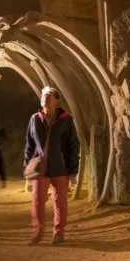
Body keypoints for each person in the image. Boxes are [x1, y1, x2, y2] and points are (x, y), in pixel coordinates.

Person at [23, 86, 79, 245]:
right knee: (37, 201)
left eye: (48, 96)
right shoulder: (35, 119)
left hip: (60, 167)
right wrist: (27, 168)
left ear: (57, 100)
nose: (44, 98)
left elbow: (73, 144)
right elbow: (29, 144)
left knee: (59, 201)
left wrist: (74, 169)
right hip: (40, 168)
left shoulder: (66, 119)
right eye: (43, 96)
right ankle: (38, 232)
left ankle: (58, 233)